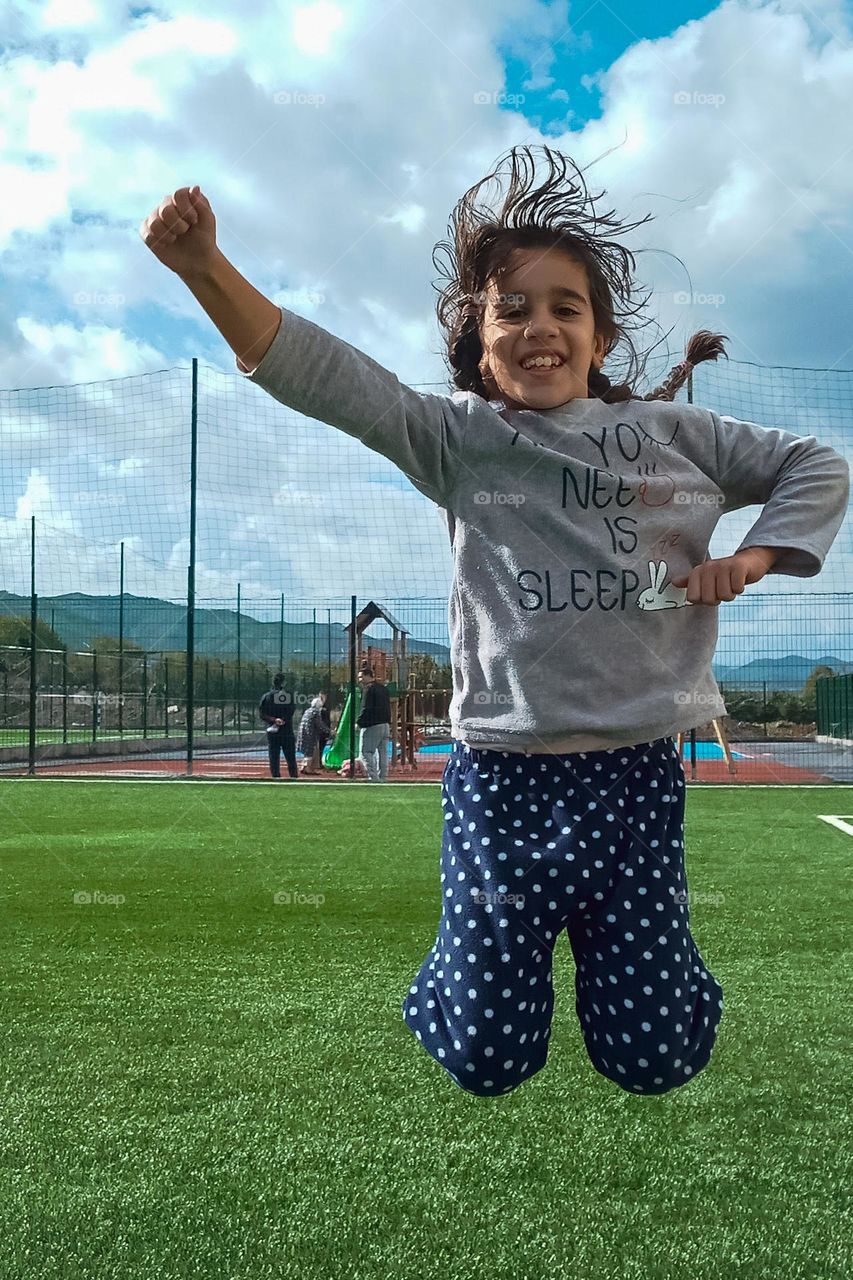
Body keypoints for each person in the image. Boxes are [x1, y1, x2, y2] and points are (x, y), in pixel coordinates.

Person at [139, 148, 849, 1097]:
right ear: (479, 344)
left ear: (598, 338)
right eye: (510, 309)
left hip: (635, 778)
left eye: (565, 307)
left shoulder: (679, 440)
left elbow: (816, 462)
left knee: (654, 1061)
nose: (538, 327)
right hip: (500, 781)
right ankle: (452, 986)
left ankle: (674, 991)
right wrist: (204, 270)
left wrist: (754, 557)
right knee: (484, 1058)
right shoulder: (461, 439)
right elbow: (326, 375)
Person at [258, 672, 297, 780]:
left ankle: (276, 777)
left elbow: (262, 714)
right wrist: (282, 720)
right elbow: (291, 711)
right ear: (283, 683)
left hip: (272, 731)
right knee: (290, 757)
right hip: (286, 731)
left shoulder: (266, 697)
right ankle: (293, 777)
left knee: (273, 756)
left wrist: (274, 720)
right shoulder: (287, 696)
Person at [355, 668, 391, 782]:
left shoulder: (368, 689)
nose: (359, 679)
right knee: (383, 752)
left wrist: (359, 723)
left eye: (361, 677)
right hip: (385, 724)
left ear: (368, 676)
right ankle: (383, 777)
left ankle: (373, 778)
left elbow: (366, 708)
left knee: (366, 752)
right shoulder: (383, 688)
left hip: (372, 725)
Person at [296, 692, 332, 775]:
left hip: (303, 733)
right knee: (310, 752)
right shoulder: (316, 712)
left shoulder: (307, 711)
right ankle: (308, 769)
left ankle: (303, 767)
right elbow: (320, 725)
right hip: (310, 734)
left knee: (307, 752)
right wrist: (330, 731)